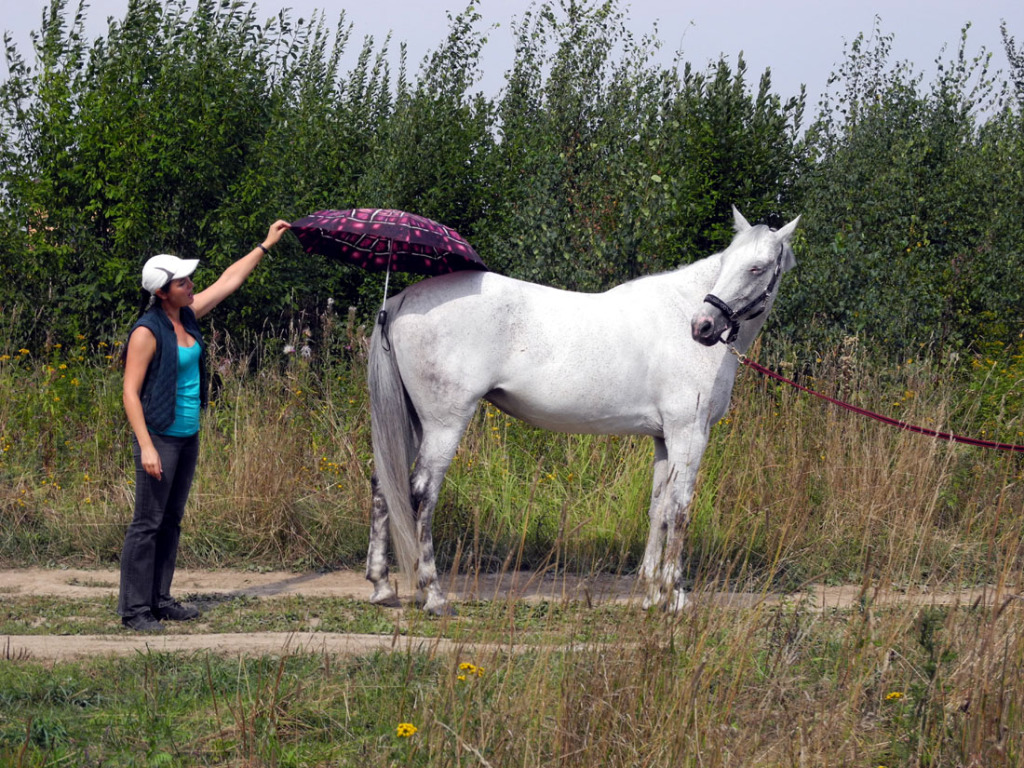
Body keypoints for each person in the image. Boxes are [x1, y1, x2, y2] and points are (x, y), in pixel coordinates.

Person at [118, 220, 291, 632]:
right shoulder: (147, 331)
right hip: (160, 436)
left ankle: (160, 600)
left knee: (171, 521)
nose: (191, 284)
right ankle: (135, 610)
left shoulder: (188, 317)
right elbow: (129, 392)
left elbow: (229, 281)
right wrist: (146, 446)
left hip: (187, 435)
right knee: (147, 523)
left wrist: (265, 245)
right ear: (162, 291)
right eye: (182, 281)